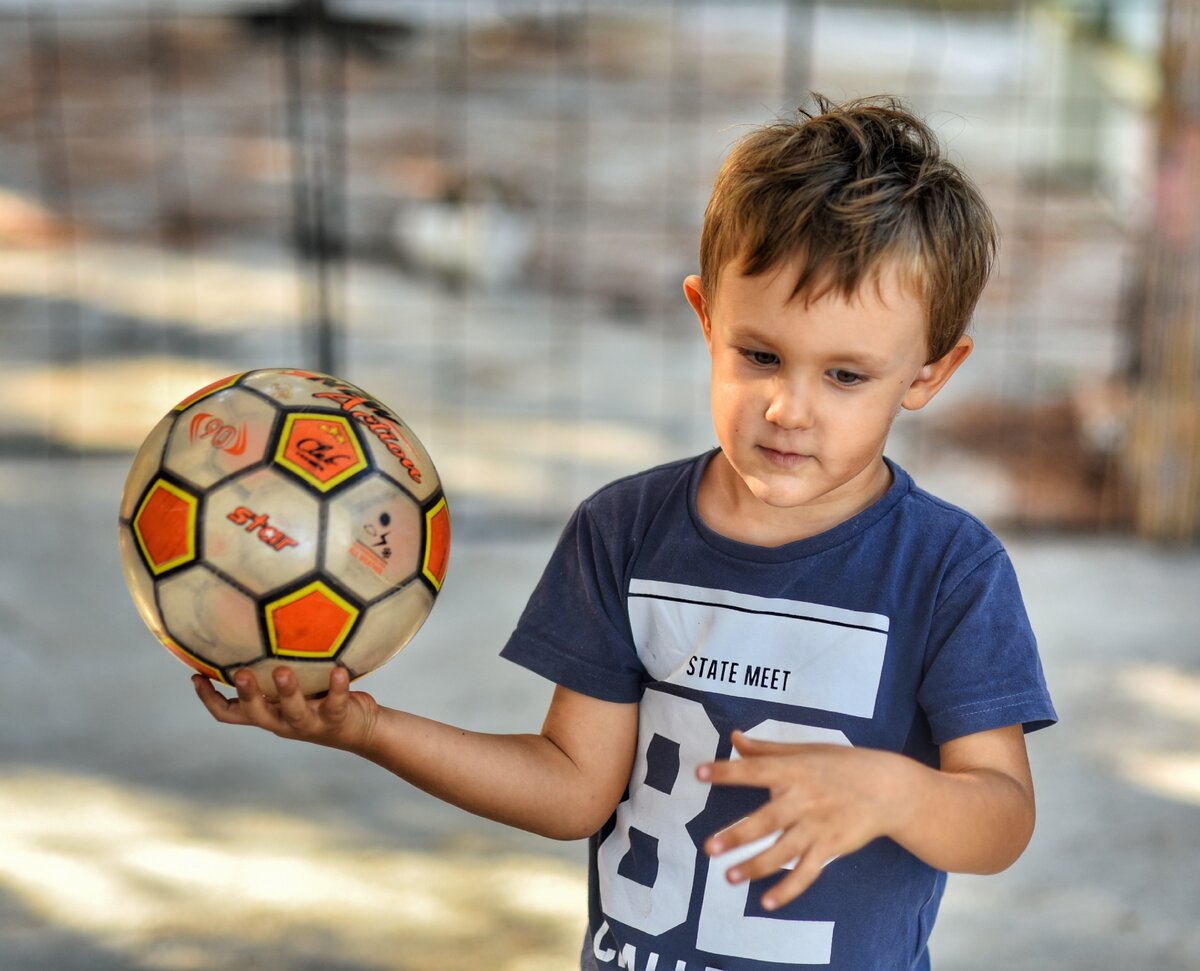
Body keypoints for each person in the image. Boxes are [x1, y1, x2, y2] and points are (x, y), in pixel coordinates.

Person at [195, 94, 1057, 970]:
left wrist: (896, 791)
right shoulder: (626, 530)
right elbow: (575, 788)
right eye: (759, 355)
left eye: (845, 374)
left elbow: (1000, 820)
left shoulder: (949, 570)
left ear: (930, 371)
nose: (788, 407)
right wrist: (369, 729)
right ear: (706, 317)